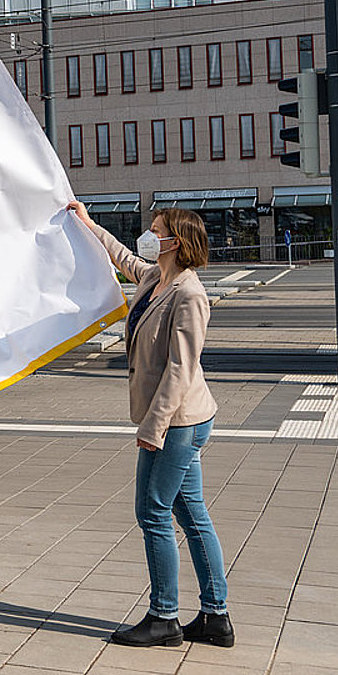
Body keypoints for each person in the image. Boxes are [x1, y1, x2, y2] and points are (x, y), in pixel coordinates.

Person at [67, 201, 233, 649]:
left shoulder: (189, 294)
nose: (147, 233)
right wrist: (87, 224)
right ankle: (215, 616)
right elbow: (123, 256)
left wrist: (153, 428)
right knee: (190, 512)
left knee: (153, 511)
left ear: (175, 241)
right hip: (178, 419)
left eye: (155, 229)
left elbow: (181, 369)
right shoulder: (153, 279)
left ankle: (164, 617)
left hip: (178, 421)